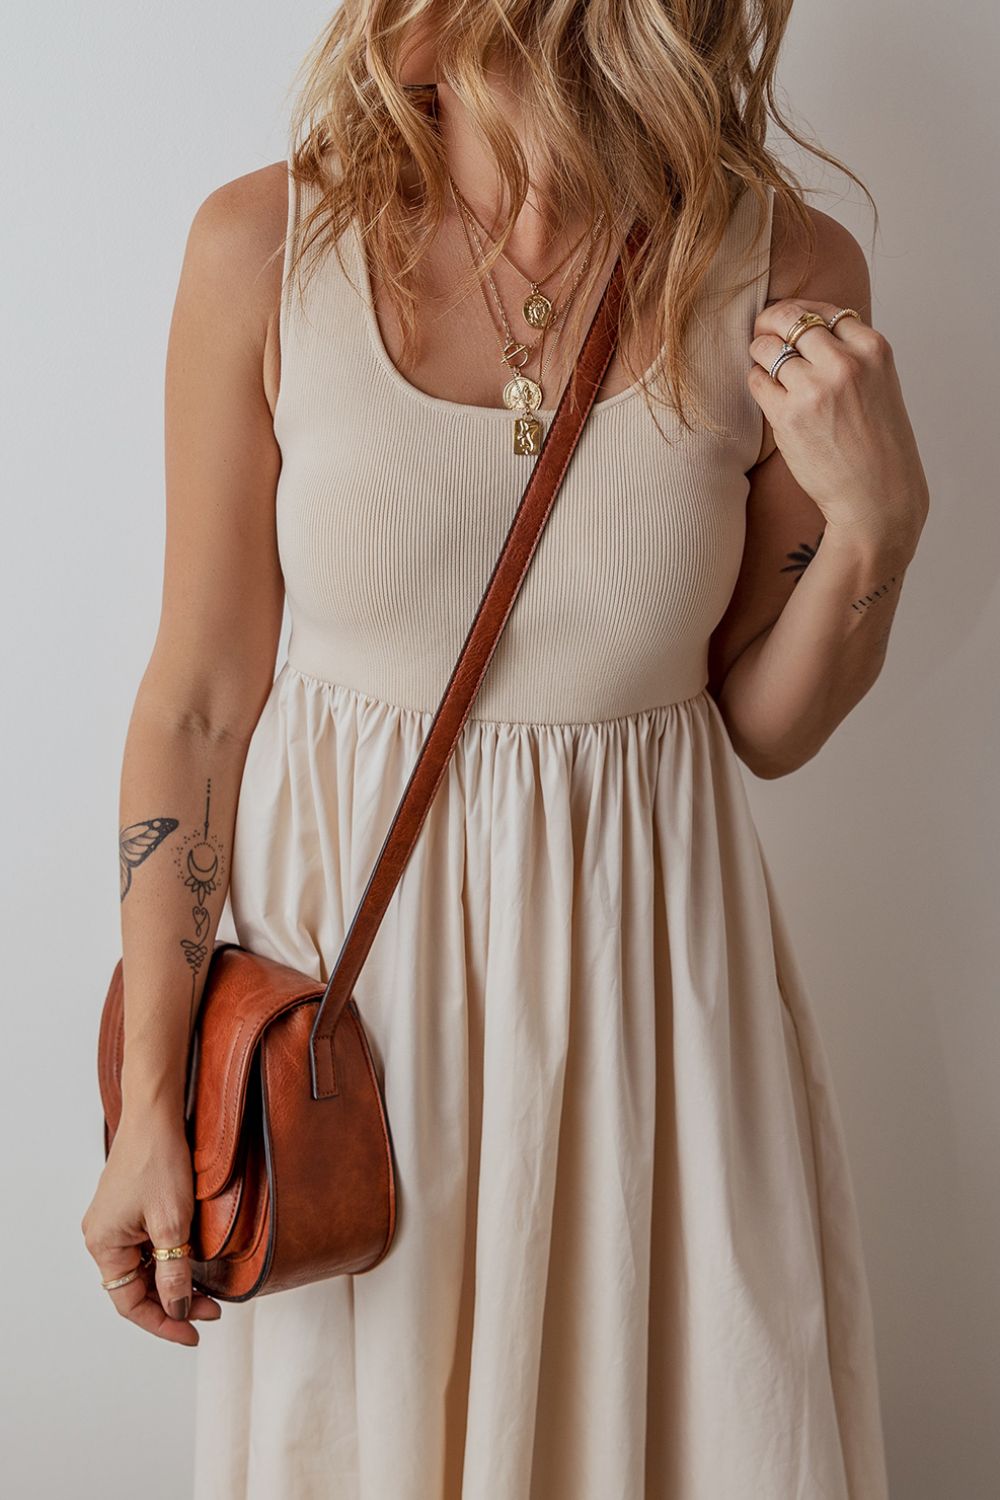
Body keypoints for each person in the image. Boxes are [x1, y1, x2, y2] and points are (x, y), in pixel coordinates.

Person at [81, 1, 929, 1494]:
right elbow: (199, 702)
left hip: (654, 1023)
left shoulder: (787, 275)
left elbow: (765, 723)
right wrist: (151, 1106)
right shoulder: (266, 249)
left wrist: (877, 527)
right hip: (352, 1058)